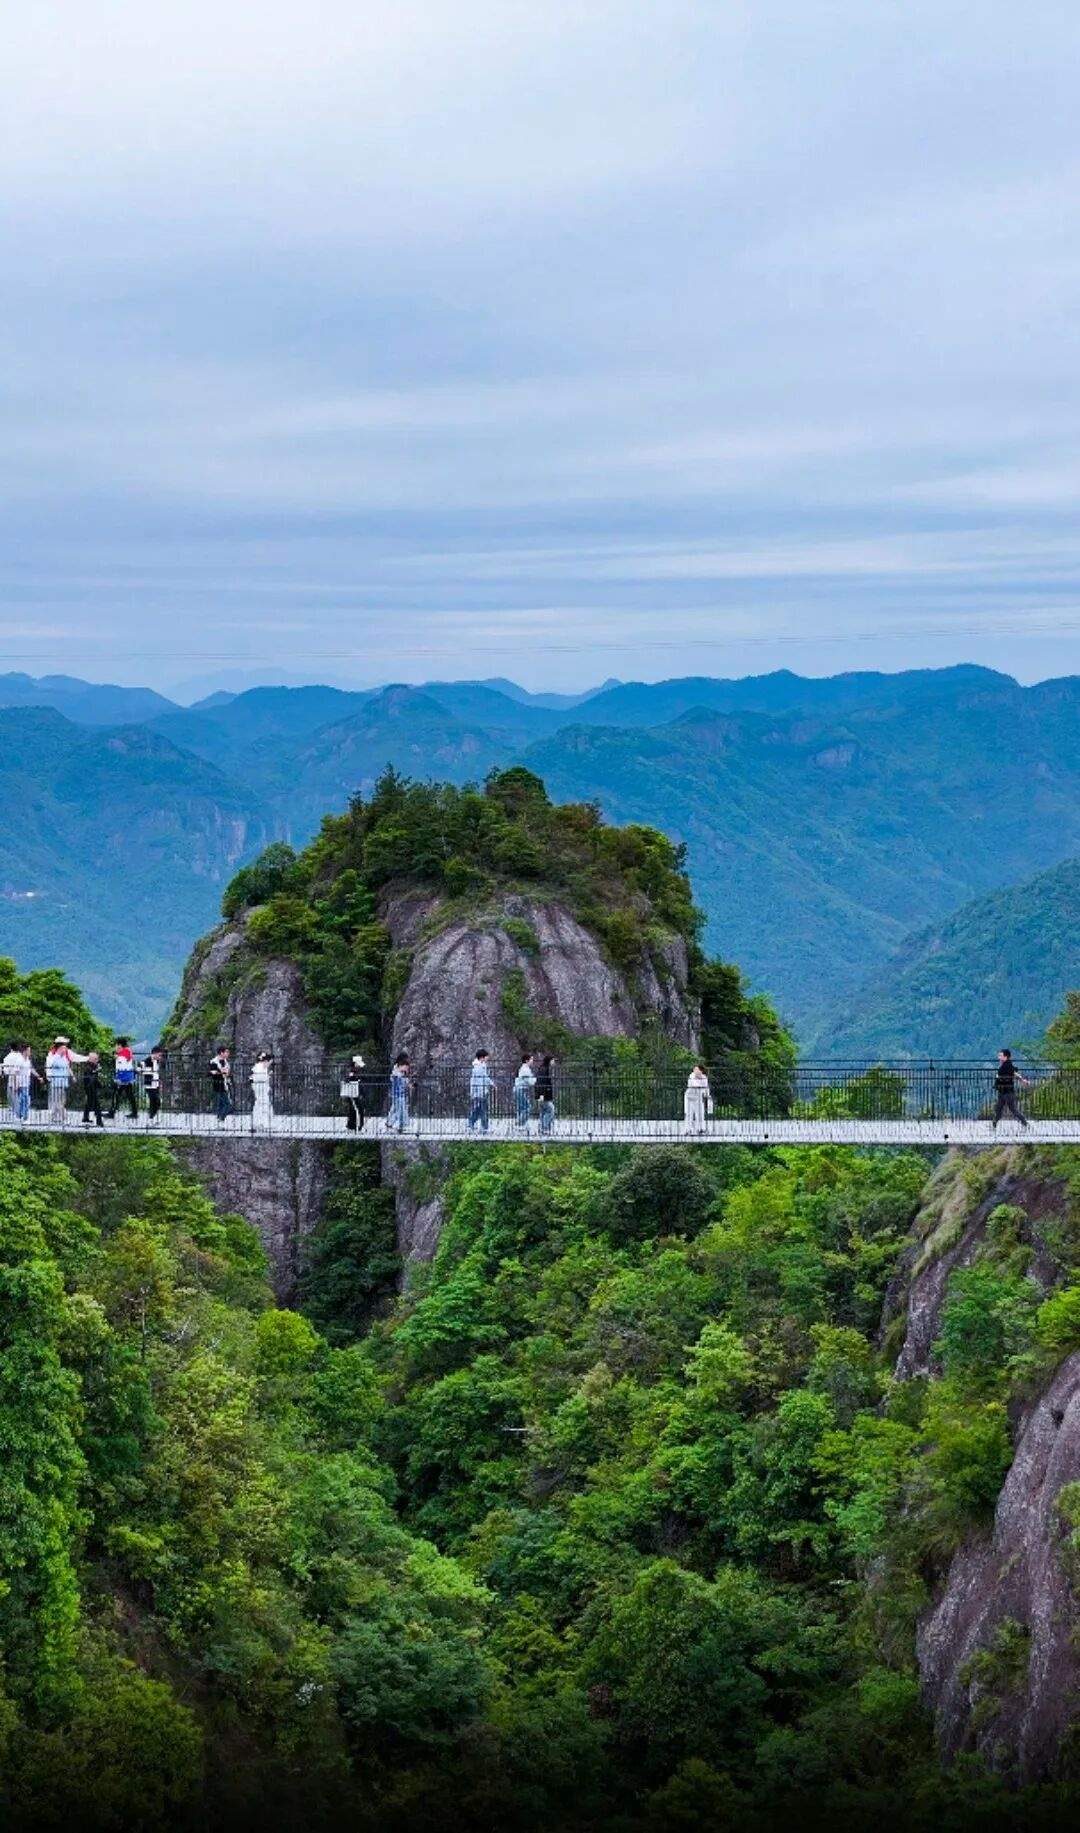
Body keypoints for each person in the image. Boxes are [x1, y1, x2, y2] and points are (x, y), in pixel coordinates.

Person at [46, 1037, 88, 1122]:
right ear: (60, 1046)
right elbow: (48, 1067)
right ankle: (64, 1118)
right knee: (58, 1101)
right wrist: (49, 1078)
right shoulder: (52, 1056)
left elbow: (69, 1065)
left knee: (59, 1101)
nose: (66, 1047)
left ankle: (52, 1117)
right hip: (56, 1082)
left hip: (62, 1082)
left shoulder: (64, 1056)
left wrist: (72, 1076)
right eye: (64, 1045)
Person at [2, 1042, 41, 1123]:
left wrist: (38, 1076)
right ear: (25, 1051)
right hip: (21, 1084)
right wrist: (16, 1085)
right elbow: (15, 1073)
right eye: (29, 1051)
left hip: (26, 1083)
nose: (30, 1052)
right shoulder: (19, 1060)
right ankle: (22, 1117)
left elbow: (31, 1069)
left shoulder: (27, 1060)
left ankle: (21, 1117)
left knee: (25, 1100)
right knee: (22, 1101)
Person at [993, 1048, 1030, 1129]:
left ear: (1005, 1057)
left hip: (1008, 1091)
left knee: (1012, 1109)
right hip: (1003, 1090)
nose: (999, 1057)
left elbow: (1013, 1073)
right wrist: (1023, 1080)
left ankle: (1025, 1123)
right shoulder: (1005, 1064)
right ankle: (994, 1124)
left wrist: (1022, 1080)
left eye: (1000, 1055)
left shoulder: (1008, 1065)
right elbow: (1014, 1073)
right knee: (999, 1108)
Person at [108, 1036, 139, 1121]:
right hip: (128, 1077)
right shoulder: (127, 1051)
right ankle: (134, 1112)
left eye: (116, 1045)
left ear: (120, 1045)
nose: (116, 1047)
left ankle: (112, 1113)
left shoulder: (123, 1053)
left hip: (123, 1079)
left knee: (116, 1095)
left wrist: (118, 1078)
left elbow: (121, 1066)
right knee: (130, 1095)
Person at [468, 1050, 494, 1131]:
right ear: (482, 1057)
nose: (488, 1058)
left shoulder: (482, 1065)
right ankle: (484, 1127)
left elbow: (485, 1077)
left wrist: (491, 1083)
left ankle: (471, 1123)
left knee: (479, 1109)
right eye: (486, 1056)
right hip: (480, 1091)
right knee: (483, 1110)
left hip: (481, 1091)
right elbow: (479, 1081)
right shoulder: (478, 1067)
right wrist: (481, 1093)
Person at [684, 1062, 713, 1133]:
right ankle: (688, 1129)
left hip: (699, 1098)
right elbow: (694, 1084)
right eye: (694, 1069)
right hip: (689, 1098)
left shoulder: (704, 1077)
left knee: (700, 1113)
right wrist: (699, 1081)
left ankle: (700, 1129)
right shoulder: (691, 1075)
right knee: (689, 1113)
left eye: (697, 1069)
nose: (695, 1071)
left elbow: (705, 1087)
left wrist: (707, 1096)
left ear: (701, 1071)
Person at [341, 1053, 366, 1131]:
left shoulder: (354, 1071)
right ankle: (359, 1126)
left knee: (352, 1109)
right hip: (353, 1094)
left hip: (354, 1093)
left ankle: (351, 1126)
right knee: (358, 1110)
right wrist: (353, 1078)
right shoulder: (352, 1071)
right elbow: (347, 1079)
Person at [209, 1046, 233, 1123]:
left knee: (223, 1104)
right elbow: (212, 1073)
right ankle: (220, 1119)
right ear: (221, 1053)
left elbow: (227, 1073)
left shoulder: (226, 1062)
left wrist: (226, 1073)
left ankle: (220, 1119)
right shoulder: (214, 1061)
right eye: (226, 1052)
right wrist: (221, 1072)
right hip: (218, 1085)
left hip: (224, 1085)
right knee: (226, 1105)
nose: (228, 1054)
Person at [387, 1054, 411, 1132]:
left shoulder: (401, 1073)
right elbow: (395, 1077)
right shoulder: (396, 1071)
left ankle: (390, 1123)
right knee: (400, 1110)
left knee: (397, 1109)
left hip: (400, 1094)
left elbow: (405, 1082)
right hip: (397, 1094)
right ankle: (400, 1126)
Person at [81, 1052, 105, 1128]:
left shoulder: (93, 1066)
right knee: (97, 1105)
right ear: (91, 1059)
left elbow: (94, 1078)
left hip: (91, 1087)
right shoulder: (88, 1067)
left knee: (89, 1102)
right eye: (95, 1059)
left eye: (97, 1058)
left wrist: (99, 1084)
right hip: (90, 1088)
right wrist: (96, 1071)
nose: (97, 1060)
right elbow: (92, 1078)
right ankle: (99, 1122)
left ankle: (85, 1118)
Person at [251, 1052, 274, 1129]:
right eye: (268, 1062)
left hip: (261, 1089)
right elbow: (260, 1078)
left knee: (262, 1105)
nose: (268, 1064)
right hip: (260, 1089)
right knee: (263, 1105)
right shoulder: (259, 1067)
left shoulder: (259, 1067)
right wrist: (268, 1076)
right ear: (265, 1061)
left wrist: (268, 1076)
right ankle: (262, 1123)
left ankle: (260, 1123)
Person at [513, 1053, 536, 1129]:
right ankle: (519, 1124)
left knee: (521, 1108)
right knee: (527, 1107)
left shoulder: (525, 1068)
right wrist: (537, 1080)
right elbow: (530, 1082)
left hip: (519, 1089)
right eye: (531, 1059)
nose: (532, 1061)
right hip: (520, 1090)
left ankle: (522, 1124)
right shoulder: (525, 1070)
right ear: (527, 1060)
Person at [535, 1054, 556, 1136]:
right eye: (553, 1060)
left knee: (543, 1111)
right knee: (551, 1109)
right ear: (549, 1061)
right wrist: (542, 1094)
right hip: (544, 1095)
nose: (554, 1062)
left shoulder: (543, 1068)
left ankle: (542, 1128)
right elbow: (542, 1082)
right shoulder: (544, 1069)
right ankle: (545, 1128)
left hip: (543, 1094)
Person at [141, 1048, 163, 1123]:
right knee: (154, 1101)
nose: (160, 1057)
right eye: (159, 1055)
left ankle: (152, 1117)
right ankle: (151, 1118)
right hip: (149, 1085)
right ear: (155, 1053)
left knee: (156, 1102)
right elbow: (140, 1066)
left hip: (155, 1084)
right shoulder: (147, 1060)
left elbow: (156, 1072)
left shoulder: (156, 1061)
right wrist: (140, 1070)